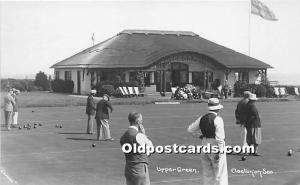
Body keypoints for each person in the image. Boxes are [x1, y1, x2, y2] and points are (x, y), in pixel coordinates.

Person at [187, 98, 228, 185]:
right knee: (220, 173)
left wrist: (201, 136)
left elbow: (190, 129)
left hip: (204, 145)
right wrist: (220, 152)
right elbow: (220, 139)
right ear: (218, 108)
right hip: (215, 146)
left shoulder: (202, 118)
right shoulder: (218, 119)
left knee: (207, 173)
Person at [120, 112, 153, 185]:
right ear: (138, 122)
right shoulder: (139, 136)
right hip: (139, 169)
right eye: (141, 120)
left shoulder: (123, 136)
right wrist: (144, 134)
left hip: (128, 168)